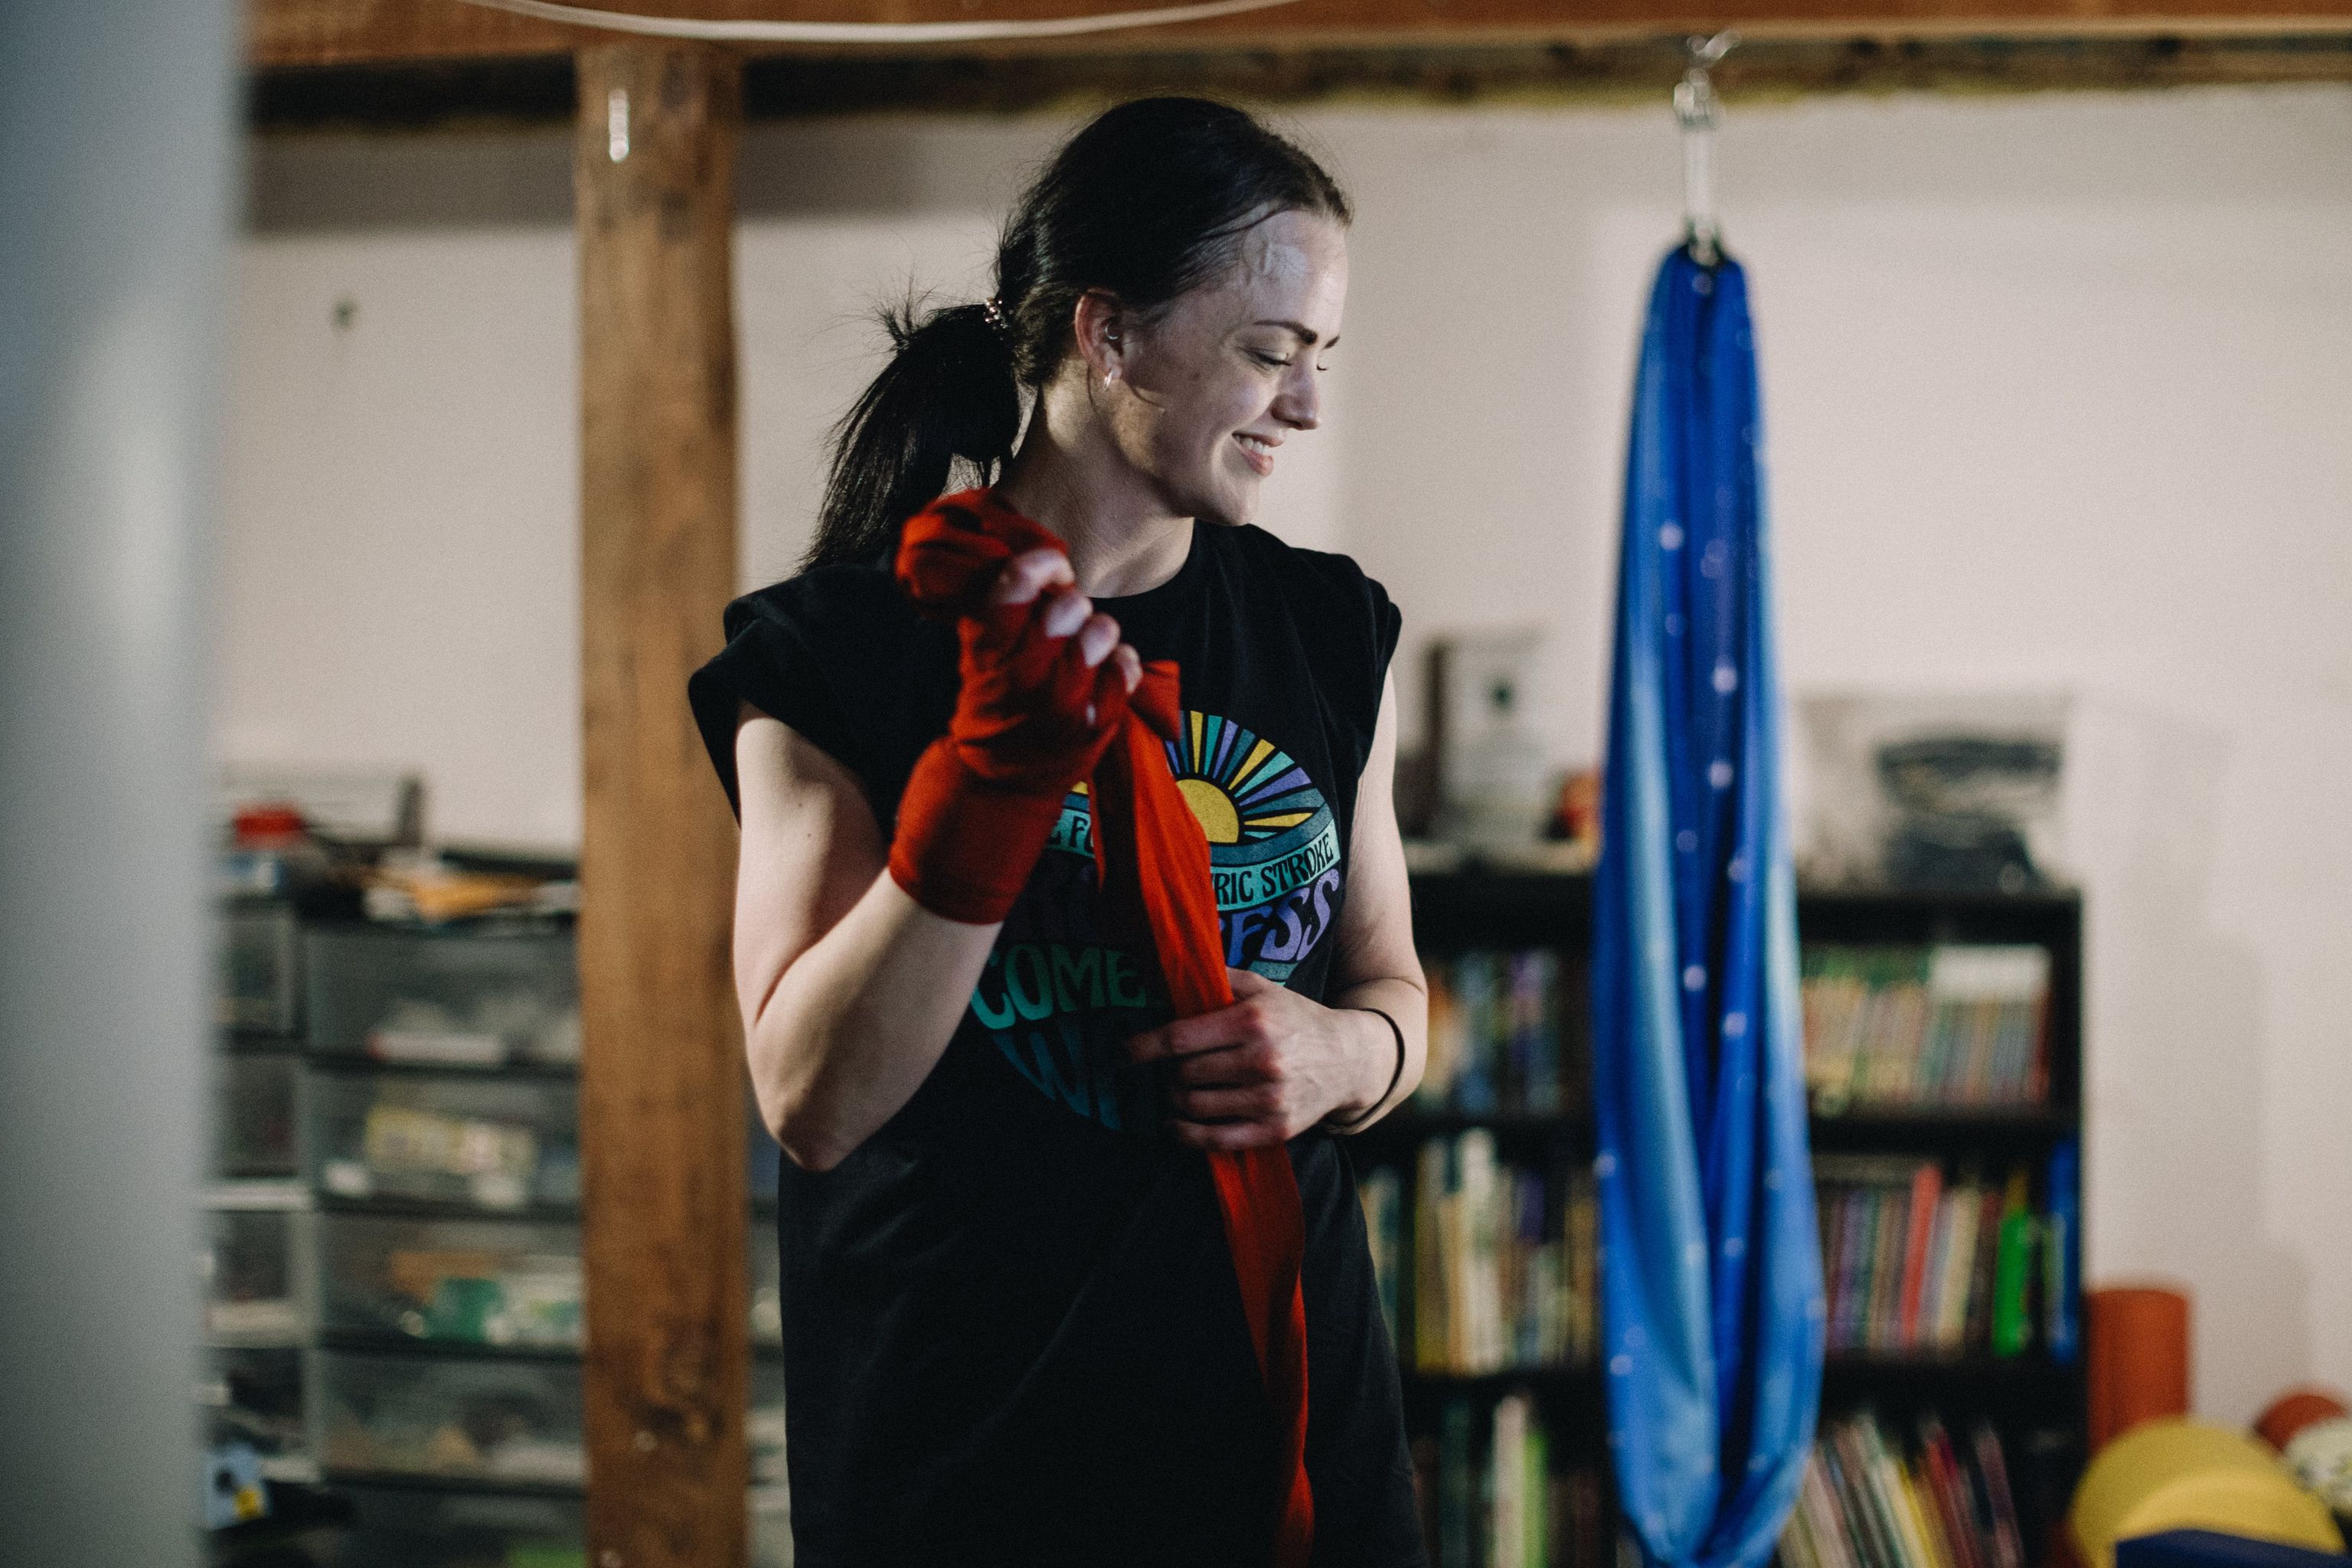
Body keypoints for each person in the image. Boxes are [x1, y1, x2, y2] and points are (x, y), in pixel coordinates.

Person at [688, 96, 1429, 1567]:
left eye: (1321, 360)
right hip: (977, 1456)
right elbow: (812, 1098)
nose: (1306, 405)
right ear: (1105, 332)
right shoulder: (840, 654)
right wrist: (997, 783)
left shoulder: (1324, 628)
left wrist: (1354, 1055)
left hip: (1286, 1435)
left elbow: (1393, 981)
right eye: (1269, 353)